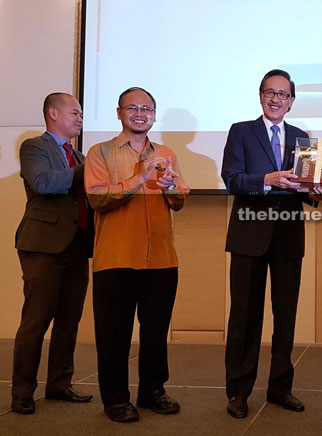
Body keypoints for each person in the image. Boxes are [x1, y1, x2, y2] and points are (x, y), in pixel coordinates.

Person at [84, 87, 188, 422]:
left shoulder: (167, 153)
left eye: (146, 108)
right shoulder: (99, 153)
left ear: (154, 115)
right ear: (119, 113)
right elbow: (97, 198)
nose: (139, 114)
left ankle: (153, 391)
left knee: (155, 332)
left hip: (160, 257)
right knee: (114, 333)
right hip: (116, 257)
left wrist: (171, 187)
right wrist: (138, 177)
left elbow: (180, 199)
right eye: (132, 108)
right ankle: (115, 399)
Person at [221, 69, 310, 419]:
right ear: (261, 96)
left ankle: (280, 388)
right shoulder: (241, 131)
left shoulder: (302, 136)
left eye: (283, 94)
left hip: (288, 236)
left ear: (291, 101)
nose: (276, 99)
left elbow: (306, 185)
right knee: (244, 316)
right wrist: (267, 181)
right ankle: (238, 391)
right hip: (248, 236)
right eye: (270, 92)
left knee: (285, 315)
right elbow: (232, 179)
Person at [12, 93, 94, 414]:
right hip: (42, 246)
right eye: (75, 112)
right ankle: (22, 392)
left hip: (78, 246)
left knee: (69, 321)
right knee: (36, 321)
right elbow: (44, 183)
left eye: (82, 114)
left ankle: (59, 383)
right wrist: (87, 170)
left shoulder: (79, 155)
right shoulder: (35, 147)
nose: (80, 119)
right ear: (53, 113)